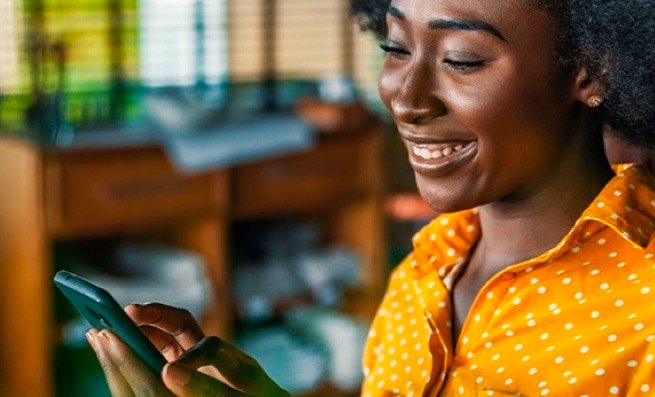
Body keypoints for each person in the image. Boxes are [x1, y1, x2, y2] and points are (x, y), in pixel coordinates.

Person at [86, 0, 655, 395]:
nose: (405, 99)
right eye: (397, 47)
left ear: (595, 69)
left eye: (462, 59)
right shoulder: (425, 273)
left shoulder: (642, 315)